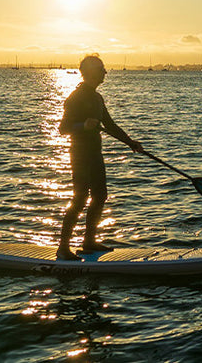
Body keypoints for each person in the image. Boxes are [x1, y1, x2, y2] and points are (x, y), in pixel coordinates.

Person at [57, 54, 143, 260]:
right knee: (80, 199)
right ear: (91, 73)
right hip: (80, 154)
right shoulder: (75, 98)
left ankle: (88, 242)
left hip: (95, 153)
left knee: (100, 195)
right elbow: (63, 128)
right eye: (102, 69)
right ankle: (63, 248)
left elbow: (110, 126)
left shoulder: (97, 98)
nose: (105, 72)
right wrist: (82, 126)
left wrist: (131, 143)